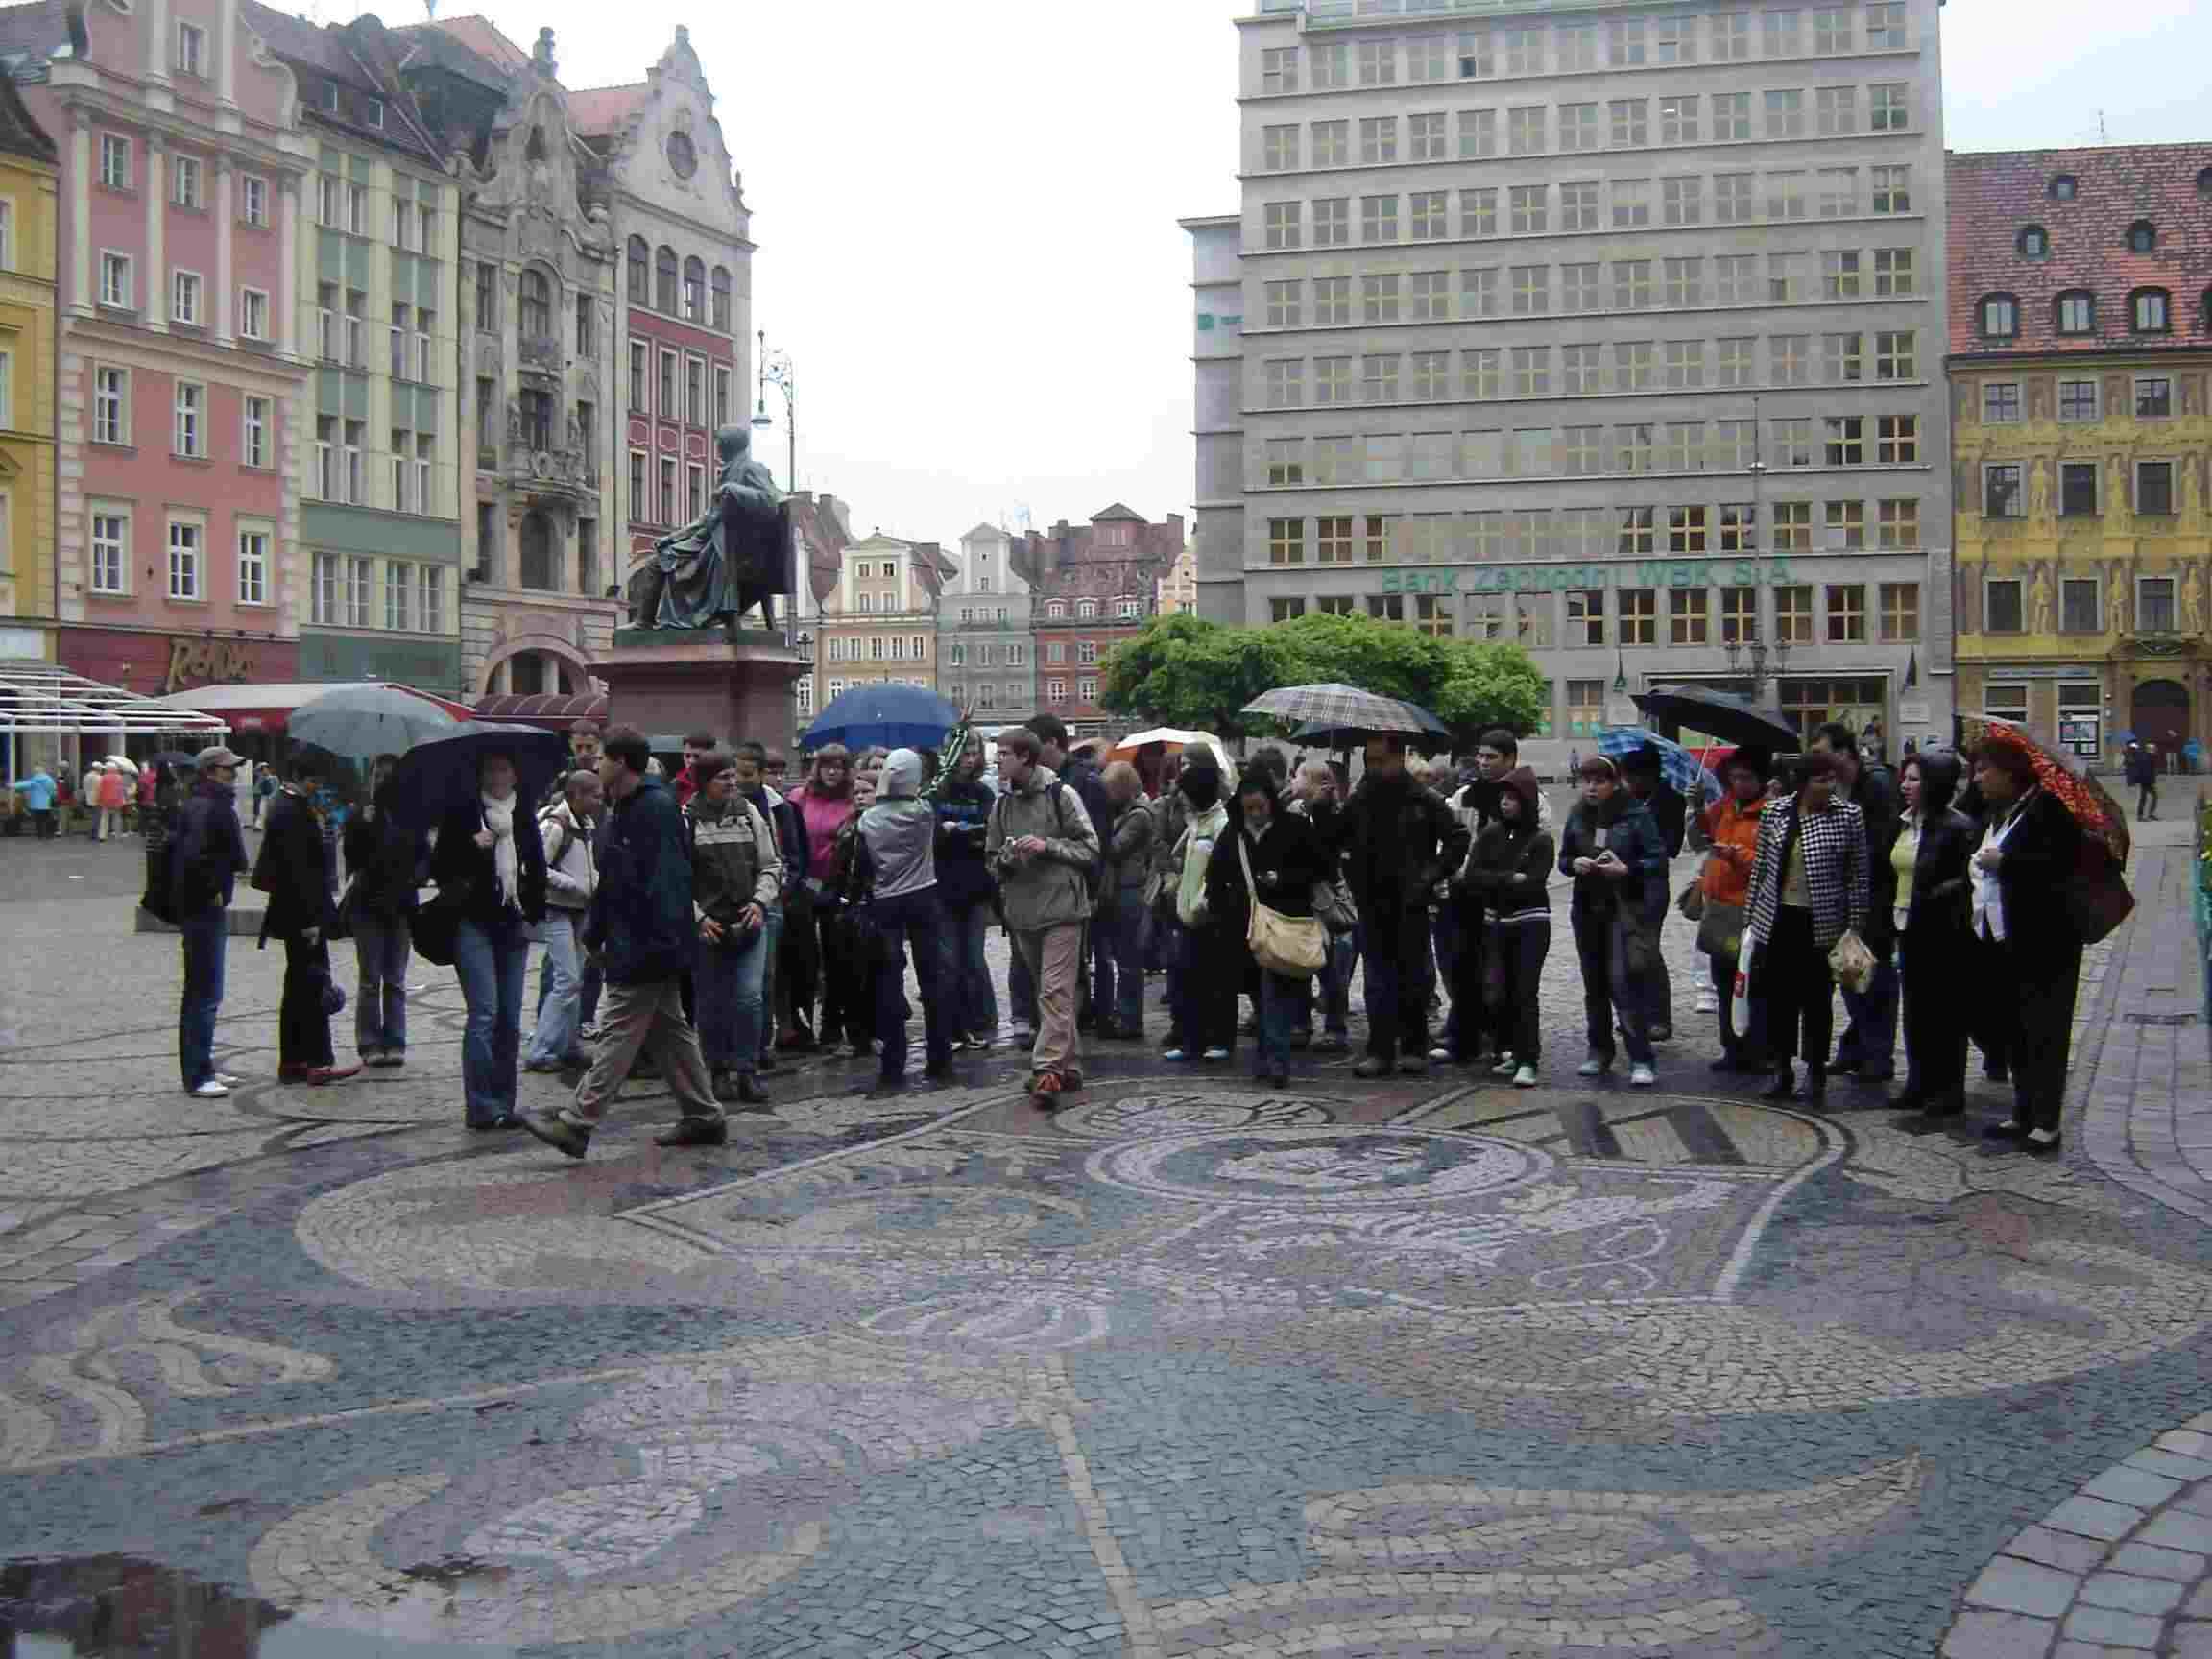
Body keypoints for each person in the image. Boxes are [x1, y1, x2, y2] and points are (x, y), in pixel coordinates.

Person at [523, 726, 727, 1158]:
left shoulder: (654, 809)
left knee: (618, 1032)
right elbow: (614, 880)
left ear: (620, 762)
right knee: (671, 1033)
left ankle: (577, 1122)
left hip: (648, 943)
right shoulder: (627, 807)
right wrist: (597, 932)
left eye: (601, 758)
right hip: (640, 940)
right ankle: (704, 1115)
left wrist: (653, 944)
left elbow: (667, 882)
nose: (596, 765)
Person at [1324, 734, 1470, 1079]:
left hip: (1411, 899)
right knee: (1377, 978)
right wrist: (1325, 808)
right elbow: (1334, 839)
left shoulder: (1423, 798)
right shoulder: (1361, 798)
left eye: (1380, 761)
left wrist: (1430, 875)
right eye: (1369, 761)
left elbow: (1457, 839)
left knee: (1413, 976)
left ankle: (1413, 1047)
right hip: (1371, 899)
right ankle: (1380, 1049)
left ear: (1398, 758)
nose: (1373, 768)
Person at [1969, 740, 2086, 1155]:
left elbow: (2059, 869)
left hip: (2046, 943)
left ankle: (2046, 1121)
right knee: (2015, 1027)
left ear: (2009, 772)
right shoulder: (2005, 811)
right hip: (2006, 939)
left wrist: (2006, 863)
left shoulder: (2047, 810)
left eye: (1983, 770)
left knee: (2044, 1030)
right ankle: (2023, 1110)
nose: (1977, 779)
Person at [1742, 753, 1871, 1105]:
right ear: (1802, 783)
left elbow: (1858, 875)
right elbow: (1761, 868)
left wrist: (1856, 925)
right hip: (1778, 919)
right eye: (1820, 780)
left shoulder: (1848, 815)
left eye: (1832, 779)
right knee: (1778, 1000)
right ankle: (1781, 1069)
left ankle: (1815, 1073)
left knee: (1817, 1002)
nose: (1828, 787)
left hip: (1823, 923)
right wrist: (1750, 918)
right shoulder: (1776, 811)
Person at [432, 750, 547, 1130]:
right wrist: (472, 846)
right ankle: (480, 1105)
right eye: (491, 769)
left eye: (504, 769)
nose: (498, 776)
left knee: (510, 1019)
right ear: (481, 776)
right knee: (484, 1012)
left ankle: (503, 1102)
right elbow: (439, 868)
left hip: (512, 925)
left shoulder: (523, 814)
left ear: (515, 775)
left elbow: (538, 866)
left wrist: (532, 910)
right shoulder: (463, 813)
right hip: (473, 923)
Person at [988, 726, 1099, 1107]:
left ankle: (1047, 1070)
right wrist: (1006, 860)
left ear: (1025, 757)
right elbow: (991, 859)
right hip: (1023, 911)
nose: (997, 760)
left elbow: (1090, 848)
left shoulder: (1061, 794)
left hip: (1063, 908)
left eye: (1004, 753)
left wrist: (1046, 846)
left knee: (1055, 991)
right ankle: (1069, 1065)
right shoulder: (1001, 805)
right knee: (1051, 995)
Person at [1204, 765, 1329, 1089]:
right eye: (1249, 809)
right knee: (1260, 997)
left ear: (1271, 801)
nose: (1256, 814)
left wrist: (1282, 879)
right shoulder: (1233, 834)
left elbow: (1320, 868)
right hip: (1243, 930)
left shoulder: (1295, 828)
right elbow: (1215, 877)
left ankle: (1276, 1060)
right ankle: (1268, 1057)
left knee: (1277, 995)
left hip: (1285, 925)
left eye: (1260, 807)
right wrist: (1221, 917)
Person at [1436, 729, 1552, 1064]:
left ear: (1511, 759)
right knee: (1462, 966)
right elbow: (1450, 839)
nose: (1484, 763)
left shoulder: (1533, 801)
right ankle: (1463, 1036)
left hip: (1507, 902)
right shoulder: (1464, 796)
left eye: (1492, 757)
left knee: (1503, 974)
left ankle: (1505, 1040)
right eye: (1481, 756)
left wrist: (1502, 875)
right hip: (1465, 892)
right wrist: (1454, 870)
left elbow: (1536, 848)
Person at [1557, 756, 1667, 1086]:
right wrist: (1574, 863)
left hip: (1622, 908)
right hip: (1586, 907)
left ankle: (1641, 1057)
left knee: (1624, 983)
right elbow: (1564, 858)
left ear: (1614, 782)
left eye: (1600, 781)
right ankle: (1599, 1051)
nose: (1591, 788)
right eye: (1587, 781)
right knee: (1594, 985)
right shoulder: (1578, 814)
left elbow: (1657, 859)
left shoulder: (1635, 815)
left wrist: (1626, 869)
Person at [854, 747, 953, 1095]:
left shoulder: (868, 820)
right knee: (932, 979)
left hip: (885, 901)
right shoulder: (923, 812)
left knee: (889, 981)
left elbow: (862, 867)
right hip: (924, 896)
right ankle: (940, 1057)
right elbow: (941, 781)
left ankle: (893, 1063)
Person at [685, 749, 781, 1105]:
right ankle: (718, 1070)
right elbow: (677, 879)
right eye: (722, 777)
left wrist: (760, 902)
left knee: (749, 998)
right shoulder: (687, 820)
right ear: (703, 782)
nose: (731, 783)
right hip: (709, 928)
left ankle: (747, 1069)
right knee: (712, 1002)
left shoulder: (749, 813)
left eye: (732, 776)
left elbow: (771, 865)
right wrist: (698, 917)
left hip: (749, 923)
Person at [256, 755, 358, 1088]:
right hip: (303, 915)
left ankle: (295, 1061)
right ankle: (314, 1060)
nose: (318, 787)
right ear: (301, 777)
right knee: (311, 986)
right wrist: (310, 920)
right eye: (314, 780)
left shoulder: (290, 806)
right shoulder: (291, 811)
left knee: (300, 986)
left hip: (299, 912)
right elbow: (297, 873)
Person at [1812, 722, 1901, 1082]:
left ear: (1844, 752)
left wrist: (1841, 853)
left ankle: (1878, 1056)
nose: (1817, 760)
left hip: (1874, 897)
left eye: (1821, 752)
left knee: (1874, 978)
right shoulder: (1834, 788)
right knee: (1850, 972)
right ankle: (1856, 1048)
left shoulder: (1875, 785)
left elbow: (1882, 843)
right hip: (1843, 896)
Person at [1892, 751, 1977, 1118]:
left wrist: (1941, 892)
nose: (1905, 786)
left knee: (1946, 1013)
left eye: (1914, 779)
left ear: (1933, 785)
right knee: (1915, 1011)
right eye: (1905, 778)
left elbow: (1971, 878)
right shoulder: (1906, 822)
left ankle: (1948, 1089)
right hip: (1907, 927)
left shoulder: (1957, 826)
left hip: (1943, 931)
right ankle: (1918, 1082)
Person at [1457, 765, 1552, 1088]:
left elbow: (1534, 882)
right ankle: (1509, 1049)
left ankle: (1528, 1059)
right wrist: (1510, 877)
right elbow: (1473, 875)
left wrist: (1498, 879)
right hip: (1496, 922)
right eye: (1503, 798)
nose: (1505, 803)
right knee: (1499, 992)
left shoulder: (1540, 839)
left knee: (1525, 991)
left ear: (1526, 801)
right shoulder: (1491, 834)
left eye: (1512, 798)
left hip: (1530, 922)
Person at [1021, 714, 1112, 1032]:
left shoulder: (1084, 782)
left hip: (1077, 887)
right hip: (1045, 890)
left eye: (1033, 745)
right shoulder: (1035, 783)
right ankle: (1061, 1025)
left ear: (1052, 743)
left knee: (1080, 961)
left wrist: (1093, 889)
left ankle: (1076, 1024)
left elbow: (1097, 842)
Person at [170, 746, 251, 1097]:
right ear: (209, 771)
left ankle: (203, 1064)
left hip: (203, 904)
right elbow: (195, 856)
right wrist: (213, 889)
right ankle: (198, 1074)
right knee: (204, 991)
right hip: (203, 907)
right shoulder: (207, 805)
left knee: (203, 991)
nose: (232, 773)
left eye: (233, 767)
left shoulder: (207, 802)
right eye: (226, 768)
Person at [341, 755, 428, 1069]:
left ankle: (395, 1041)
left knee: (395, 979)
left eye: (389, 777)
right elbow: (351, 857)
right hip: (367, 904)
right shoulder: (360, 814)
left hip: (401, 904)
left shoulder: (411, 814)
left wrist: (415, 877)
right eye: (378, 776)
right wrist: (361, 825)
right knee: (370, 978)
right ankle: (369, 1042)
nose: (383, 782)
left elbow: (423, 855)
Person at [1696, 752, 1770, 1073]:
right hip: (1720, 911)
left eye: (1746, 778)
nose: (1739, 784)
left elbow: (1769, 864)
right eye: (1734, 777)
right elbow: (1700, 837)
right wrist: (1695, 807)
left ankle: (1759, 1050)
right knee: (1724, 982)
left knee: (1752, 984)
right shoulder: (1724, 807)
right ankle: (1732, 1048)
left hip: (1750, 912)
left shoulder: (1769, 812)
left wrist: (1737, 855)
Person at [525, 768, 602, 1073]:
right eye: (595, 795)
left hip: (578, 910)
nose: (599, 800)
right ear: (577, 795)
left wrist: (592, 883)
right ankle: (541, 1050)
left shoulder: (585, 824)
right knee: (567, 981)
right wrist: (572, 884)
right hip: (557, 909)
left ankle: (568, 1046)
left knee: (574, 980)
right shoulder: (556, 825)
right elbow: (535, 868)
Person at [1164, 751, 1233, 1063]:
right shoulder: (1192, 824)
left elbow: (1218, 871)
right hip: (1187, 915)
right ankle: (1191, 1040)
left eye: (1185, 793)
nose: (1180, 799)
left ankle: (1219, 1039)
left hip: (1211, 916)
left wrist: (1202, 903)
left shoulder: (1221, 824)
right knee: (1188, 980)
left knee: (1216, 980)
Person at [786, 746, 856, 1050]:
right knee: (803, 959)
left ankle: (831, 1024)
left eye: (839, 766)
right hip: (804, 885)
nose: (833, 771)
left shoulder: (851, 800)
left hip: (837, 887)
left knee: (835, 957)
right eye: (827, 765)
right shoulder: (799, 798)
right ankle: (800, 1025)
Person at [931, 741, 998, 1048]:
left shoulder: (983, 793)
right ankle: (953, 1024)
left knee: (973, 958)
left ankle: (977, 1020)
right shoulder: (936, 793)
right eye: (964, 753)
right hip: (943, 886)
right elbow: (934, 835)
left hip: (976, 887)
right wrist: (960, 833)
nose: (969, 760)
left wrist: (955, 831)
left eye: (974, 754)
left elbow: (987, 832)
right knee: (949, 961)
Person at [1618, 747, 1685, 1044]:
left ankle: (1659, 1017)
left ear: (1650, 775)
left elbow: (1671, 846)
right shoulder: (1625, 800)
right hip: (1622, 883)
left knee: (1647, 950)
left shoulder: (1671, 801)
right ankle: (1633, 1014)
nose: (1629, 783)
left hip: (1651, 885)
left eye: (1633, 777)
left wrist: (1641, 839)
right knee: (1625, 951)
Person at [1286, 759, 1353, 1054]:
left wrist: (1321, 809)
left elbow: (1326, 855)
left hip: (1323, 901)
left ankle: (1335, 1028)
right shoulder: (1293, 810)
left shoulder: (1329, 815)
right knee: (1300, 965)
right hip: (1299, 900)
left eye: (1299, 775)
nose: (1293, 779)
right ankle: (1300, 1023)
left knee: (1331, 970)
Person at [1096, 760, 1156, 1040]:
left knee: (1129, 961)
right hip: (1117, 891)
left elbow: (1115, 848)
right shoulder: (1125, 812)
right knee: (1120, 958)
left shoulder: (1139, 815)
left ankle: (1130, 1019)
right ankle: (1120, 1014)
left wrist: (1099, 826)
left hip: (1129, 891)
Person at [10, 763, 58, 838]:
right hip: (46, 804)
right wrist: (53, 796)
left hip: (36, 805)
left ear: (36, 772)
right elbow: (53, 790)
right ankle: (49, 833)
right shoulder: (49, 780)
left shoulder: (34, 780)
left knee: (39, 820)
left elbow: (24, 784)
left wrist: (11, 785)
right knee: (47, 819)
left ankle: (41, 835)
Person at [673, 730, 716, 810]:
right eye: (687, 756)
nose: (691, 761)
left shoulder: (724, 783)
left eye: (697, 756)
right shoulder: (675, 785)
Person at [2126, 741, 2159, 823]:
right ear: (2150, 750)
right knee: (2145, 797)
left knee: (2151, 796)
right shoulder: (2146, 757)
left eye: (2155, 749)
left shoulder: (2149, 757)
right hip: (2145, 781)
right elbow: (2145, 771)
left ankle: (2147, 814)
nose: (2155, 750)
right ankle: (2142, 816)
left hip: (2146, 781)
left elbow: (2151, 770)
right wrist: (2150, 781)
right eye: (2154, 749)